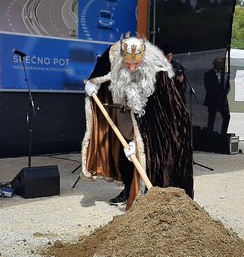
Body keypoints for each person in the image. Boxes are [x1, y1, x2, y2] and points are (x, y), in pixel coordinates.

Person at [81, 33, 194, 209]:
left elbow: (161, 116)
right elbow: (99, 72)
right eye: (128, 64)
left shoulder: (158, 74)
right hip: (125, 114)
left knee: (144, 156)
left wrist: (140, 141)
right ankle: (128, 190)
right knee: (125, 154)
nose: (132, 68)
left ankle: (148, 197)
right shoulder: (113, 56)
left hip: (149, 119)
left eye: (136, 64)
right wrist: (92, 83)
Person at [203, 56, 231, 135]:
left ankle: (223, 134)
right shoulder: (208, 74)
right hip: (212, 100)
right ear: (214, 64)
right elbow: (208, 87)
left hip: (223, 100)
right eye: (217, 63)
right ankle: (210, 135)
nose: (219, 65)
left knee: (227, 117)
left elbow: (228, 86)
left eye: (220, 63)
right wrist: (216, 94)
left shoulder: (225, 74)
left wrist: (224, 94)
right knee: (211, 119)